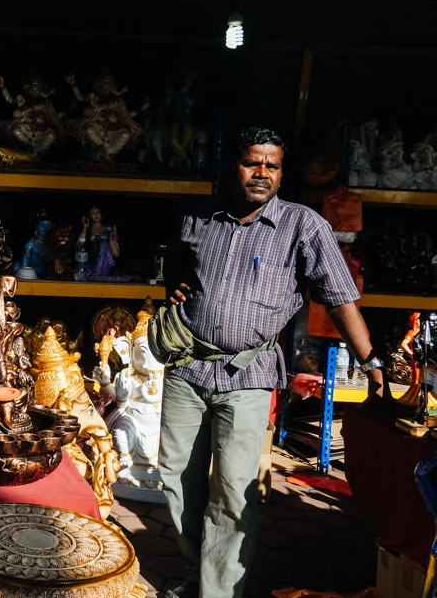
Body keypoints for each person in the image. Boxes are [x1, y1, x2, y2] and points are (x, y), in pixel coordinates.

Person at [154, 127, 386, 598]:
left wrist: (371, 360)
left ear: (281, 173)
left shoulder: (303, 226)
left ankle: (217, 592)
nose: (261, 173)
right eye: (251, 162)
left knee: (234, 490)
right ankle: (202, 567)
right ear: (232, 166)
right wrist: (175, 291)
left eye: (272, 165)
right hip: (187, 368)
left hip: (249, 375)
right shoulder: (199, 219)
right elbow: (177, 270)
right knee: (175, 476)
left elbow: (341, 299)